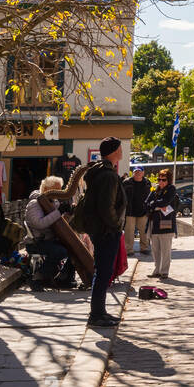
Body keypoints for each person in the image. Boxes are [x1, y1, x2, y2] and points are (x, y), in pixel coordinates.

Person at [80, 137, 127, 327]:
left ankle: (100, 311)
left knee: (103, 272)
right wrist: (116, 225)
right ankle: (96, 315)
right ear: (114, 151)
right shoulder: (107, 175)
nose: (122, 151)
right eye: (120, 148)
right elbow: (106, 206)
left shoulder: (105, 172)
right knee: (102, 272)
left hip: (104, 230)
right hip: (106, 231)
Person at [25, 176, 76, 289]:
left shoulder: (53, 202)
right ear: (47, 189)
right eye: (57, 190)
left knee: (74, 249)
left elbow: (58, 223)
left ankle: (64, 278)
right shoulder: (35, 203)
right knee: (60, 251)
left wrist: (68, 214)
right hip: (37, 241)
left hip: (49, 240)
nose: (60, 193)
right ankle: (37, 277)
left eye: (61, 189)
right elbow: (39, 223)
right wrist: (59, 212)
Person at [145, 169, 179, 280]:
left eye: (163, 180)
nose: (161, 182)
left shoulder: (171, 189)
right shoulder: (155, 189)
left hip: (166, 223)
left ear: (168, 180)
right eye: (159, 179)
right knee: (155, 250)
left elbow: (165, 202)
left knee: (165, 250)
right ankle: (157, 270)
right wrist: (156, 205)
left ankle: (164, 271)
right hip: (154, 223)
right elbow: (146, 203)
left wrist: (154, 204)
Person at [121, 165, 152, 256]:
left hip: (143, 211)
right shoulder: (126, 182)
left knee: (144, 232)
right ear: (133, 173)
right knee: (129, 232)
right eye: (136, 172)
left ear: (143, 173)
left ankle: (144, 248)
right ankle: (129, 250)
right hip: (130, 211)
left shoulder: (147, 182)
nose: (137, 173)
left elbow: (150, 195)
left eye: (139, 172)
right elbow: (122, 195)